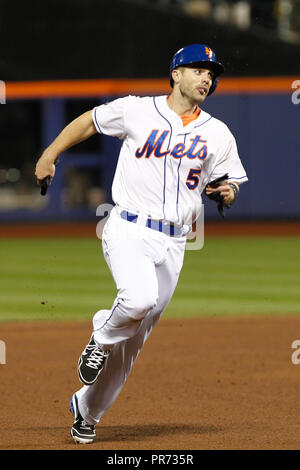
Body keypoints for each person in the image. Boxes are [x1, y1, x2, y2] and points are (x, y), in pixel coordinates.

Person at [35, 44, 248, 444]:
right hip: (128, 228)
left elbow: (229, 181)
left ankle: (86, 410)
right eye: (198, 69)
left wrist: (227, 192)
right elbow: (89, 121)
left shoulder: (218, 133)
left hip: (175, 243)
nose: (206, 78)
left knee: (131, 347)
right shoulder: (136, 110)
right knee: (137, 299)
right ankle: (99, 336)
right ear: (175, 74)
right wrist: (51, 153)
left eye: (211, 73)